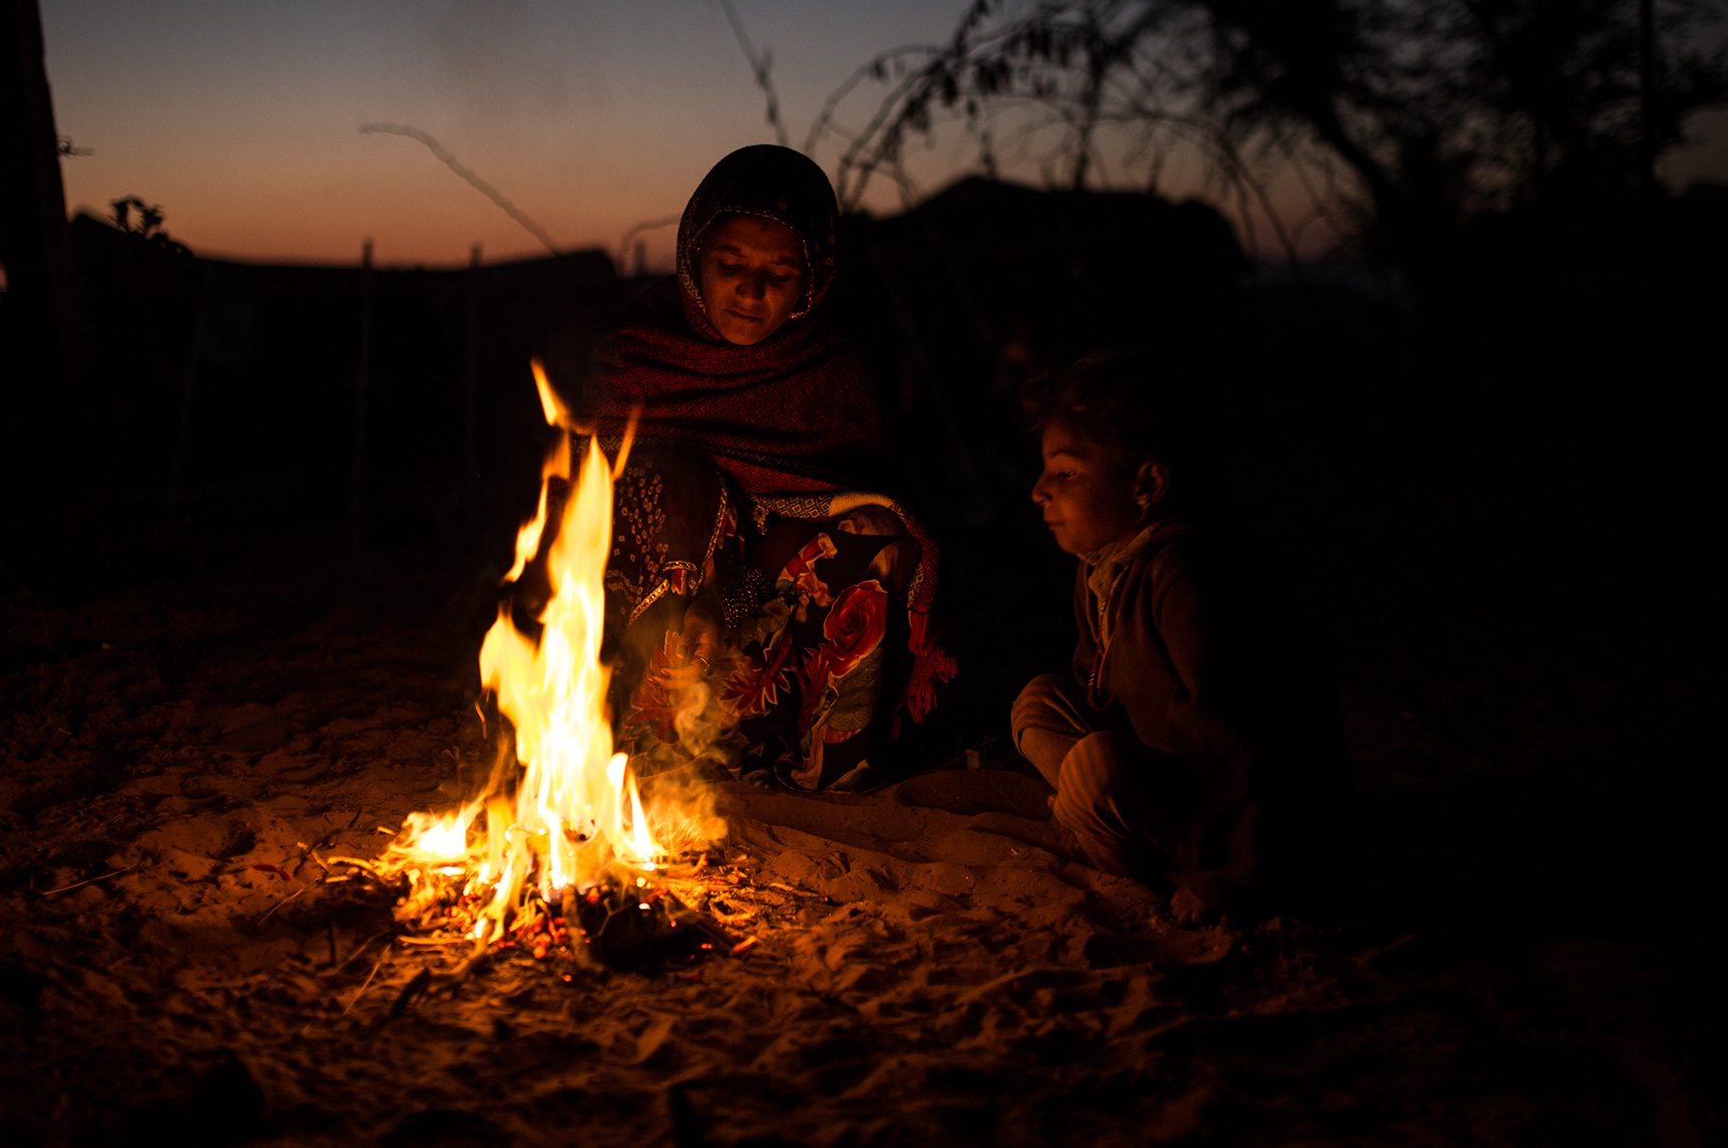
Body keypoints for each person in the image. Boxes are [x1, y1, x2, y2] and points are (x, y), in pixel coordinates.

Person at [578, 144, 954, 791]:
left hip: (766, 615)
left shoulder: (831, 369)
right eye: (730, 265)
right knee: (664, 479)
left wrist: (732, 598)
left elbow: (844, 502)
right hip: (652, 624)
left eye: (779, 272)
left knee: (878, 535)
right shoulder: (637, 358)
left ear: (813, 281)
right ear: (694, 254)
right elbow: (581, 519)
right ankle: (630, 742)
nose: (751, 292)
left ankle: (815, 767)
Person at [1012, 350, 1350, 922]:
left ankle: (1159, 855)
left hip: (1240, 818)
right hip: (1171, 777)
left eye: (1065, 473)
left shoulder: (1190, 576)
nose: (1039, 490)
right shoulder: (1103, 567)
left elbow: (1239, 742)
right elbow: (1097, 689)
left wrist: (1228, 882)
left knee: (1096, 764)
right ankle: (1110, 825)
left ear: (1148, 483)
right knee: (1039, 701)